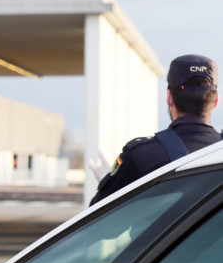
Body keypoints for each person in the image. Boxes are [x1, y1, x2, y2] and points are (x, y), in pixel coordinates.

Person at [90, 54, 220, 205]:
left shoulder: (140, 156)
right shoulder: (219, 153)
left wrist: (109, 182)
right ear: (216, 101)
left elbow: (96, 220)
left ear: (169, 97)